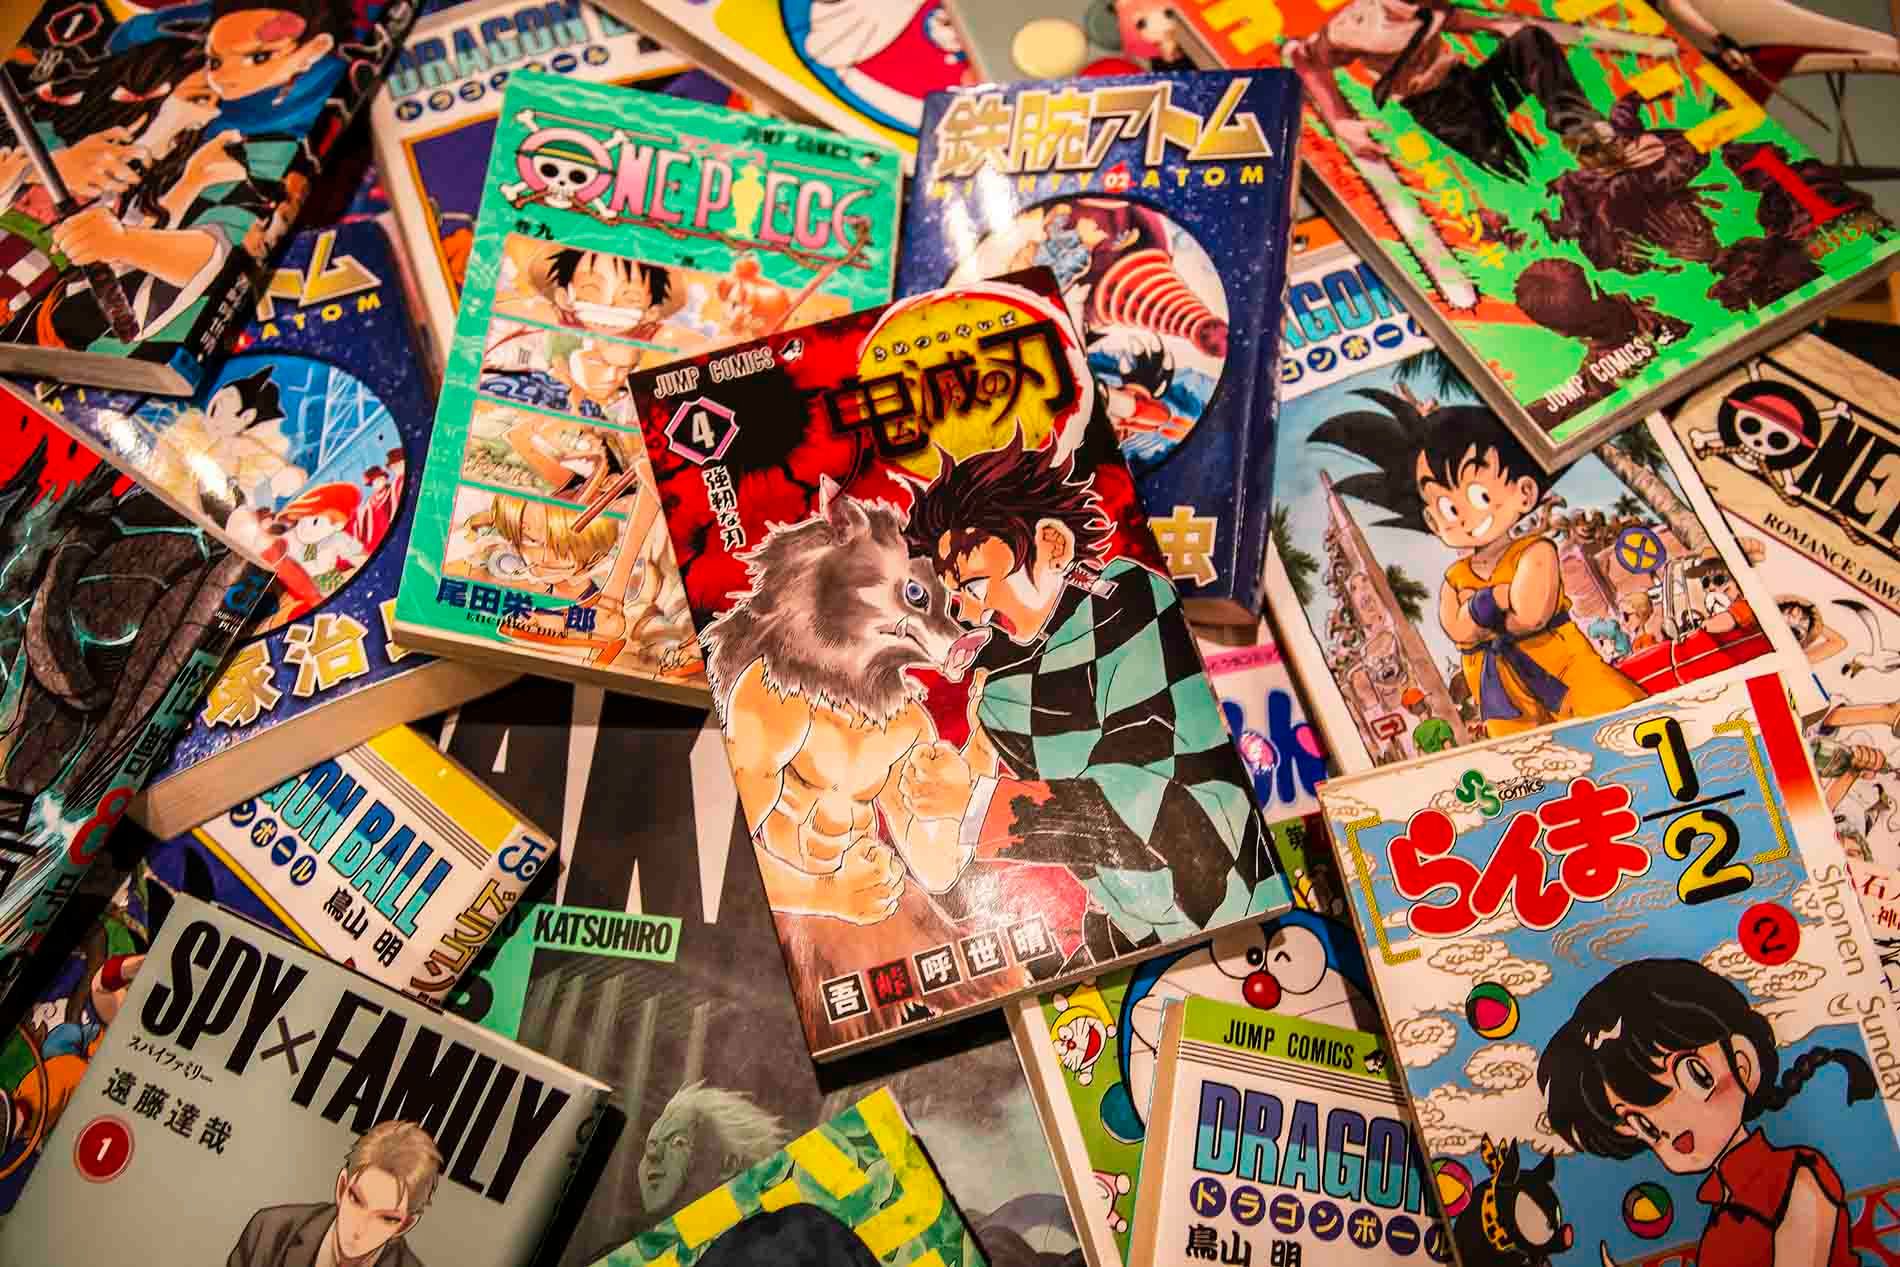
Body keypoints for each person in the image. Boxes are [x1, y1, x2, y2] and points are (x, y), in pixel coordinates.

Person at [894, 432, 1275, 961]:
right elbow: (1089, 855)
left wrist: (975, 801)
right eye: (958, 596)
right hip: (1137, 937)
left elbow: (1149, 806)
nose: (972, 612)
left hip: (1239, 896)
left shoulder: (1130, 602)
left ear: (1053, 545)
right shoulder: (1001, 692)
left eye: (977, 586)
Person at [1310, 390, 1645, 738]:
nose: (1465, 517)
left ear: (1525, 493)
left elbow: (1530, 615)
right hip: (1503, 700)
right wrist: (1498, 599)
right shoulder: (1455, 578)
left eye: (1480, 496)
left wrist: (1479, 616)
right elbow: (1457, 629)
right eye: (1447, 509)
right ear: (1432, 520)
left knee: (1621, 723)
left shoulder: (1535, 551)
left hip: (1567, 671)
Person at [1541, 959, 1873, 1267]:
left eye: (1694, 1075)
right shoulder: (1724, 1201)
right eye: (1643, 1124)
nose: (1671, 1126)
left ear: (1742, 1062)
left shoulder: (1798, 1176)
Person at [228, 1120, 441, 1267]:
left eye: (386, 1218)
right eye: (356, 1200)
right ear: (341, 1188)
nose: (359, 1229)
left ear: (404, 1225)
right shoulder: (270, 1231)